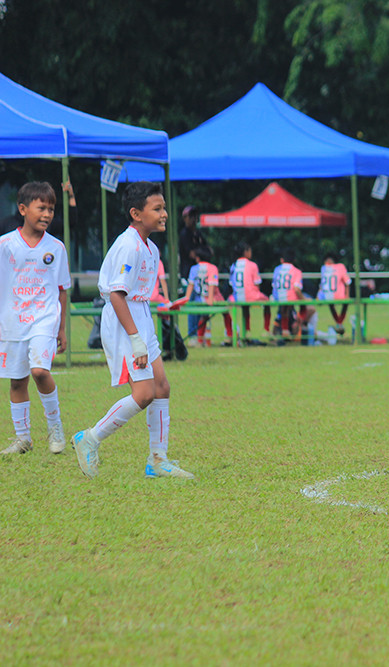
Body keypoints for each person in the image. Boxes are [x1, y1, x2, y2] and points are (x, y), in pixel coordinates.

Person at [71, 182, 194, 479]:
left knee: (162, 387)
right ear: (136, 214)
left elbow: (138, 294)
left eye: (164, 207)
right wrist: (136, 339)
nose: (164, 214)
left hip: (139, 317)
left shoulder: (149, 246)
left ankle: (157, 460)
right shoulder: (129, 246)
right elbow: (117, 294)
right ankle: (90, 437)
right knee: (144, 393)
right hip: (124, 322)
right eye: (158, 208)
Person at [0, 182, 71, 455]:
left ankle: (55, 428)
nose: (48, 214)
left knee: (40, 372)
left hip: (44, 319)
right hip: (12, 322)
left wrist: (62, 328)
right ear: (23, 209)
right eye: (42, 207)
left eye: (51, 209)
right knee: (17, 381)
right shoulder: (5, 245)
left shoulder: (56, 247)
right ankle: (23, 438)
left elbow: (62, 289)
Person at [183, 246, 233, 346]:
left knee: (204, 316)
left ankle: (200, 340)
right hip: (211, 298)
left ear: (198, 258)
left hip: (198, 299)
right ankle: (230, 335)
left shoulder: (193, 269)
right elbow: (212, 284)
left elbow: (190, 285)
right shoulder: (212, 268)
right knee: (226, 313)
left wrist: (186, 298)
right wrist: (210, 299)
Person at [228, 241, 271, 342]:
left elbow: (231, 284)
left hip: (236, 297)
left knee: (244, 307)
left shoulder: (233, 265)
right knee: (267, 301)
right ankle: (266, 330)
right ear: (245, 252)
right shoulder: (252, 265)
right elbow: (256, 284)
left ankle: (245, 331)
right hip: (250, 295)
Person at [271, 250, 315, 339]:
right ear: (294, 260)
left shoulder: (277, 269)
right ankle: (299, 323)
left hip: (277, 297)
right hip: (290, 298)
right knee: (309, 306)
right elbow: (296, 289)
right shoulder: (296, 271)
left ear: (282, 260)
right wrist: (304, 299)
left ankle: (285, 330)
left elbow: (274, 286)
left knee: (284, 310)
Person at [316, 251, 351, 335]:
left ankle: (339, 323)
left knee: (331, 304)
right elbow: (348, 282)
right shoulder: (340, 267)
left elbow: (322, 285)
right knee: (344, 303)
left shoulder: (324, 268)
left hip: (327, 296)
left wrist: (318, 296)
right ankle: (339, 323)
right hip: (339, 295)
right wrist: (347, 295)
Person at [178, 205, 206, 283]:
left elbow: (209, 251)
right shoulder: (185, 234)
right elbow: (191, 254)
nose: (194, 219)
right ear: (185, 218)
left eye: (195, 216)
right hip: (188, 274)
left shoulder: (198, 233)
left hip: (200, 272)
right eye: (191, 216)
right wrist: (202, 253)